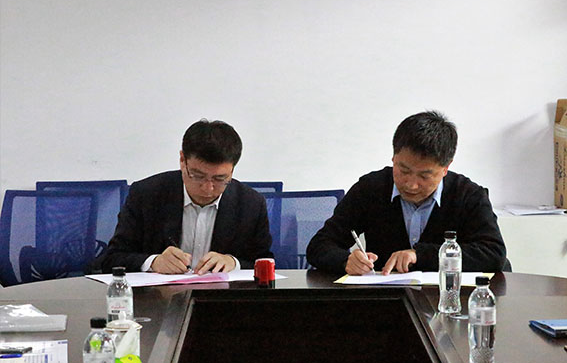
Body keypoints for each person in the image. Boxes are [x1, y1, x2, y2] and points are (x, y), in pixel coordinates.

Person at [306, 111, 506, 276]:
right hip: (386, 299)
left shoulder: (467, 195)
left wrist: (420, 255)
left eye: (425, 175)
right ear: (393, 157)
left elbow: (493, 254)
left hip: (447, 300)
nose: (411, 184)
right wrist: (346, 261)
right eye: (403, 170)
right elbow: (319, 245)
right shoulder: (370, 188)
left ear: (446, 168)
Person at [100, 119, 273, 274]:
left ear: (233, 169)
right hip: (159, 296)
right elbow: (112, 259)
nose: (208, 188)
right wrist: (154, 262)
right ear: (182, 160)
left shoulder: (251, 204)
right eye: (198, 176)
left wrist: (233, 262)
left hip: (221, 296)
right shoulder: (146, 195)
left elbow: (265, 262)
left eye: (220, 179)